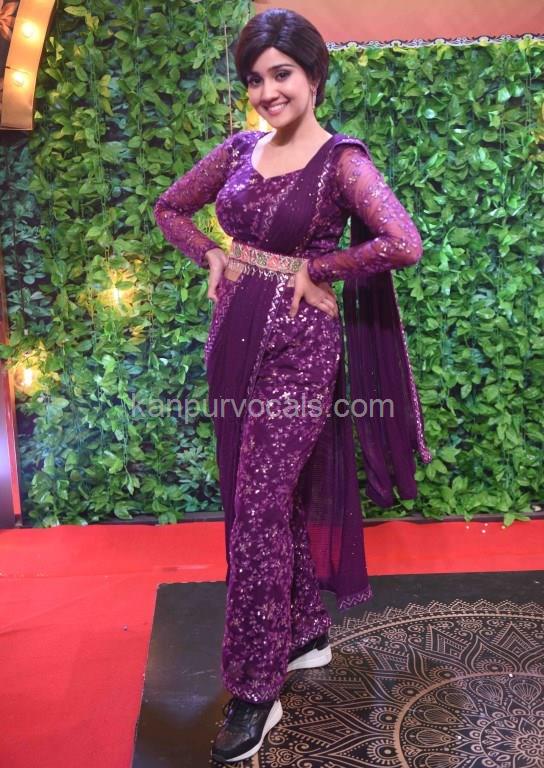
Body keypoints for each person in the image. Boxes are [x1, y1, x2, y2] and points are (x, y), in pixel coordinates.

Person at [153, 7, 431, 764]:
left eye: (281, 75)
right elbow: (170, 208)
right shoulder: (240, 149)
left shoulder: (342, 161)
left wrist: (322, 268)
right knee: (264, 501)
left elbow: (402, 241)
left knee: (258, 509)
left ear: (313, 75)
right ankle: (304, 632)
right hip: (232, 339)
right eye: (255, 79)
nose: (267, 92)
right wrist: (211, 254)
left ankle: (255, 686)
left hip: (298, 350)